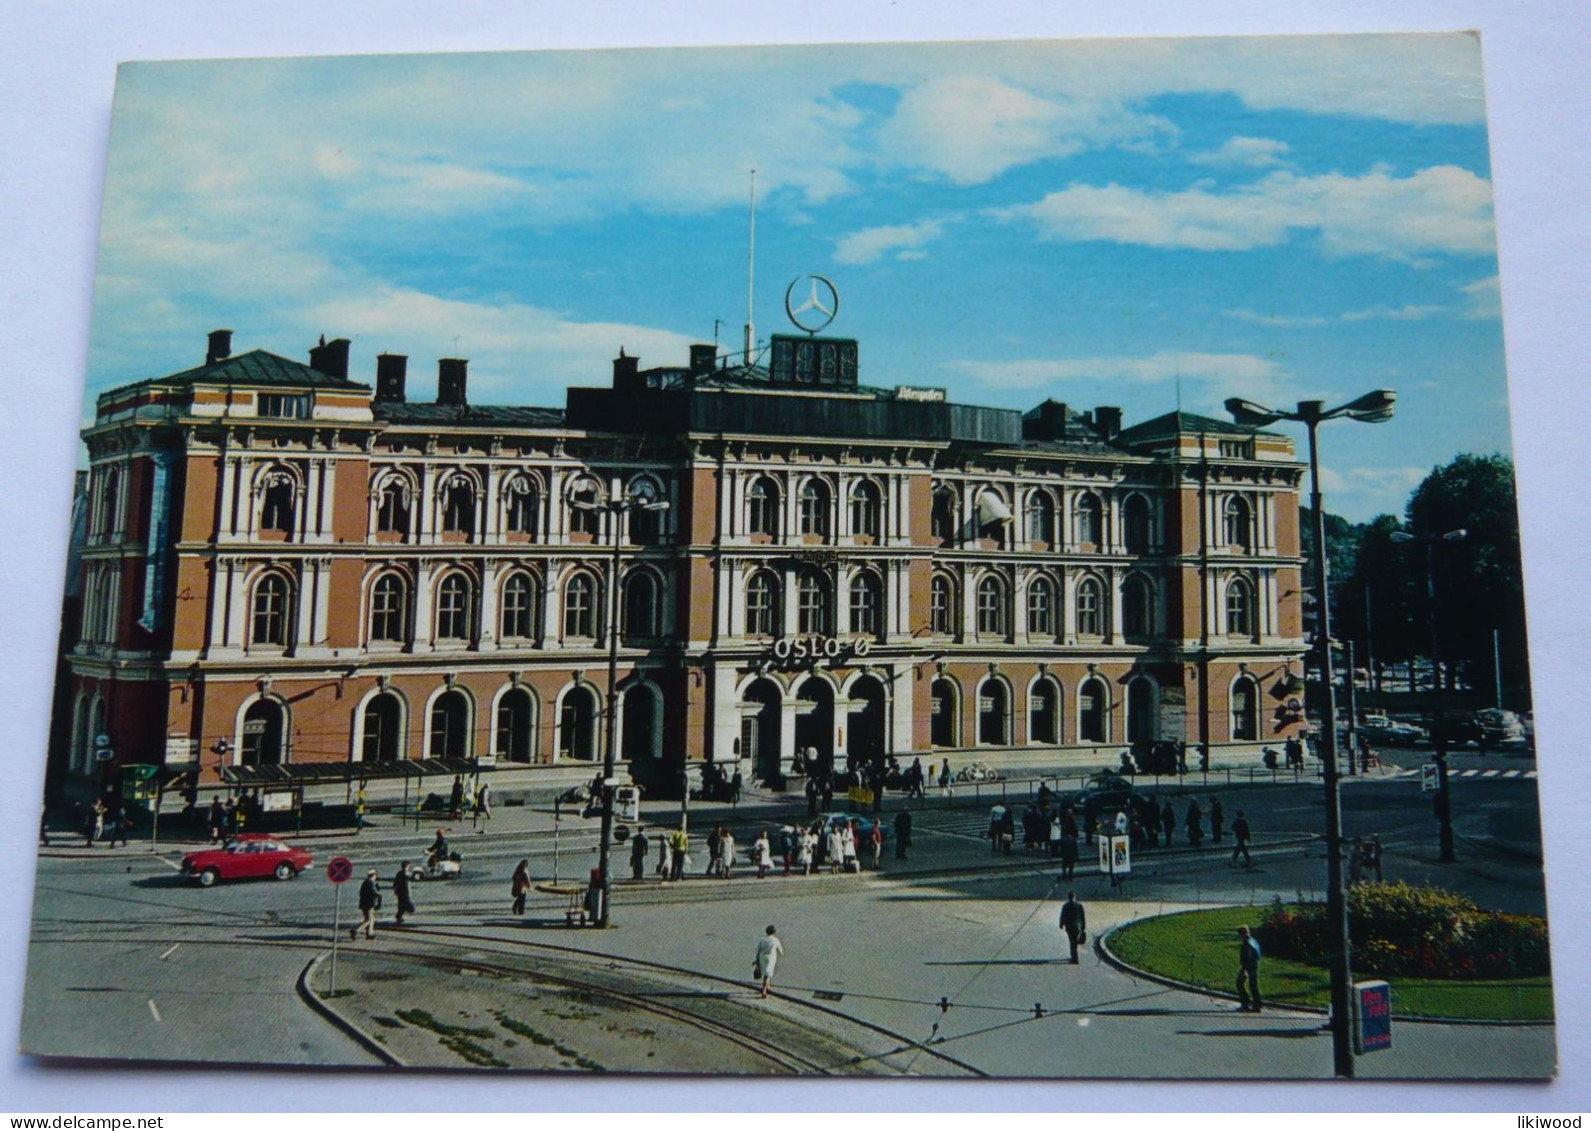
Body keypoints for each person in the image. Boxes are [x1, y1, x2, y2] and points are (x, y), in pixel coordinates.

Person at [1236, 925, 1263, 1012]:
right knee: (1253, 985)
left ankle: (1245, 1003)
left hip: (1248, 966)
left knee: (1239, 984)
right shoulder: (1252, 940)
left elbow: (1246, 956)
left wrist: (1244, 969)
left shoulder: (1246, 943)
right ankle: (1257, 1004)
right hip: (1254, 965)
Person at [753, 924, 784, 1000]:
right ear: (774, 932)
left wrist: (757, 960)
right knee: (767, 974)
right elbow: (781, 951)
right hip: (771, 958)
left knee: (766, 972)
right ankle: (764, 991)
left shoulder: (763, 939)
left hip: (762, 957)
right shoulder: (775, 940)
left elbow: (758, 950)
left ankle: (768, 985)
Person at [1058, 891, 1087, 964]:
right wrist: (1083, 926)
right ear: (1074, 897)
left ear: (1068, 897)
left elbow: (1063, 916)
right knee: (1074, 941)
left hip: (1069, 926)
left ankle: (1074, 958)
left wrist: (1061, 924)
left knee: (1072, 941)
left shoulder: (1065, 906)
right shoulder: (1079, 905)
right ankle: (1074, 956)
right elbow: (1082, 917)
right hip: (1078, 926)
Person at [352, 870, 380, 940]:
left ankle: (370, 934)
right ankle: (356, 930)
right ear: (373, 875)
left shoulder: (366, 882)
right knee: (368, 920)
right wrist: (378, 895)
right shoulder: (369, 883)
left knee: (371, 919)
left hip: (364, 904)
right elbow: (373, 893)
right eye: (375, 876)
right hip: (368, 904)